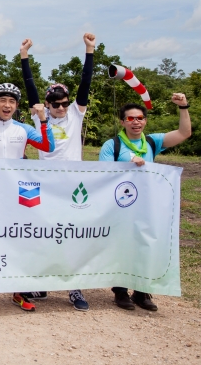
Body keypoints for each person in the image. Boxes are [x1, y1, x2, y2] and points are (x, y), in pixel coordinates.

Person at [20, 33, 95, 311]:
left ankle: (74, 288)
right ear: (48, 105)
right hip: (46, 183)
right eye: (56, 104)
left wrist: (89, 50)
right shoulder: (41, 117)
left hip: (74, 184)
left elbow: (85, 81)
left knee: (73, 235)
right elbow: (31, 89)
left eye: (64, 102)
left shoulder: (77, 112)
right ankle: (42, 282)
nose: (61, 107)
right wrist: (24, 56)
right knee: (44, 232)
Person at [0, 82, 53, 312]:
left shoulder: (23, 129)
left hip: (20, 191)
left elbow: (48, 145)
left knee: (20, 241)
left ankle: (19, 292)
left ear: (16, 105)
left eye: (12, 101)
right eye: (3, 100)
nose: (7, 105)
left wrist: (44, 121)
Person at [99, 96, 191, 311]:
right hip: (121, 206)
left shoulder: (152, 142)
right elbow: (101, 175)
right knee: (122, 247)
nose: (135, 122)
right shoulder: (112, 145)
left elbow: (184, 134)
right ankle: (120, 291)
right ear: (122, 122)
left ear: (145, 121)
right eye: (130, 118)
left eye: (140, 118)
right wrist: (128, 167)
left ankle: (142, 292)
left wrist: (183, 107)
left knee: (146, 245)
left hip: (148, 205)